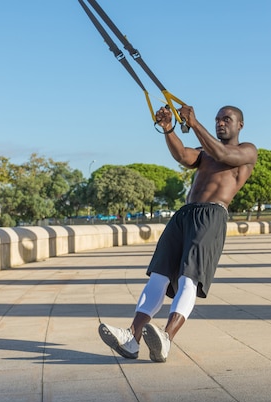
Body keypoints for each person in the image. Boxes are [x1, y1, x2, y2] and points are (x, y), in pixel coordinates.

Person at [98, 104, 258, 362]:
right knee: (158, 276)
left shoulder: (247, 150)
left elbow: (222, 154)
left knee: (188, 279)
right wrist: (169, 129)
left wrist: (194, 124)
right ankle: (132, 338)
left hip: (211, 216)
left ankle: (167, 338)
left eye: (226, 119)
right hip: (184, 214)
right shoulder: (205, 151)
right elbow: (183, 155)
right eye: (217, 119)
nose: (220, 123)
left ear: (240, 125)